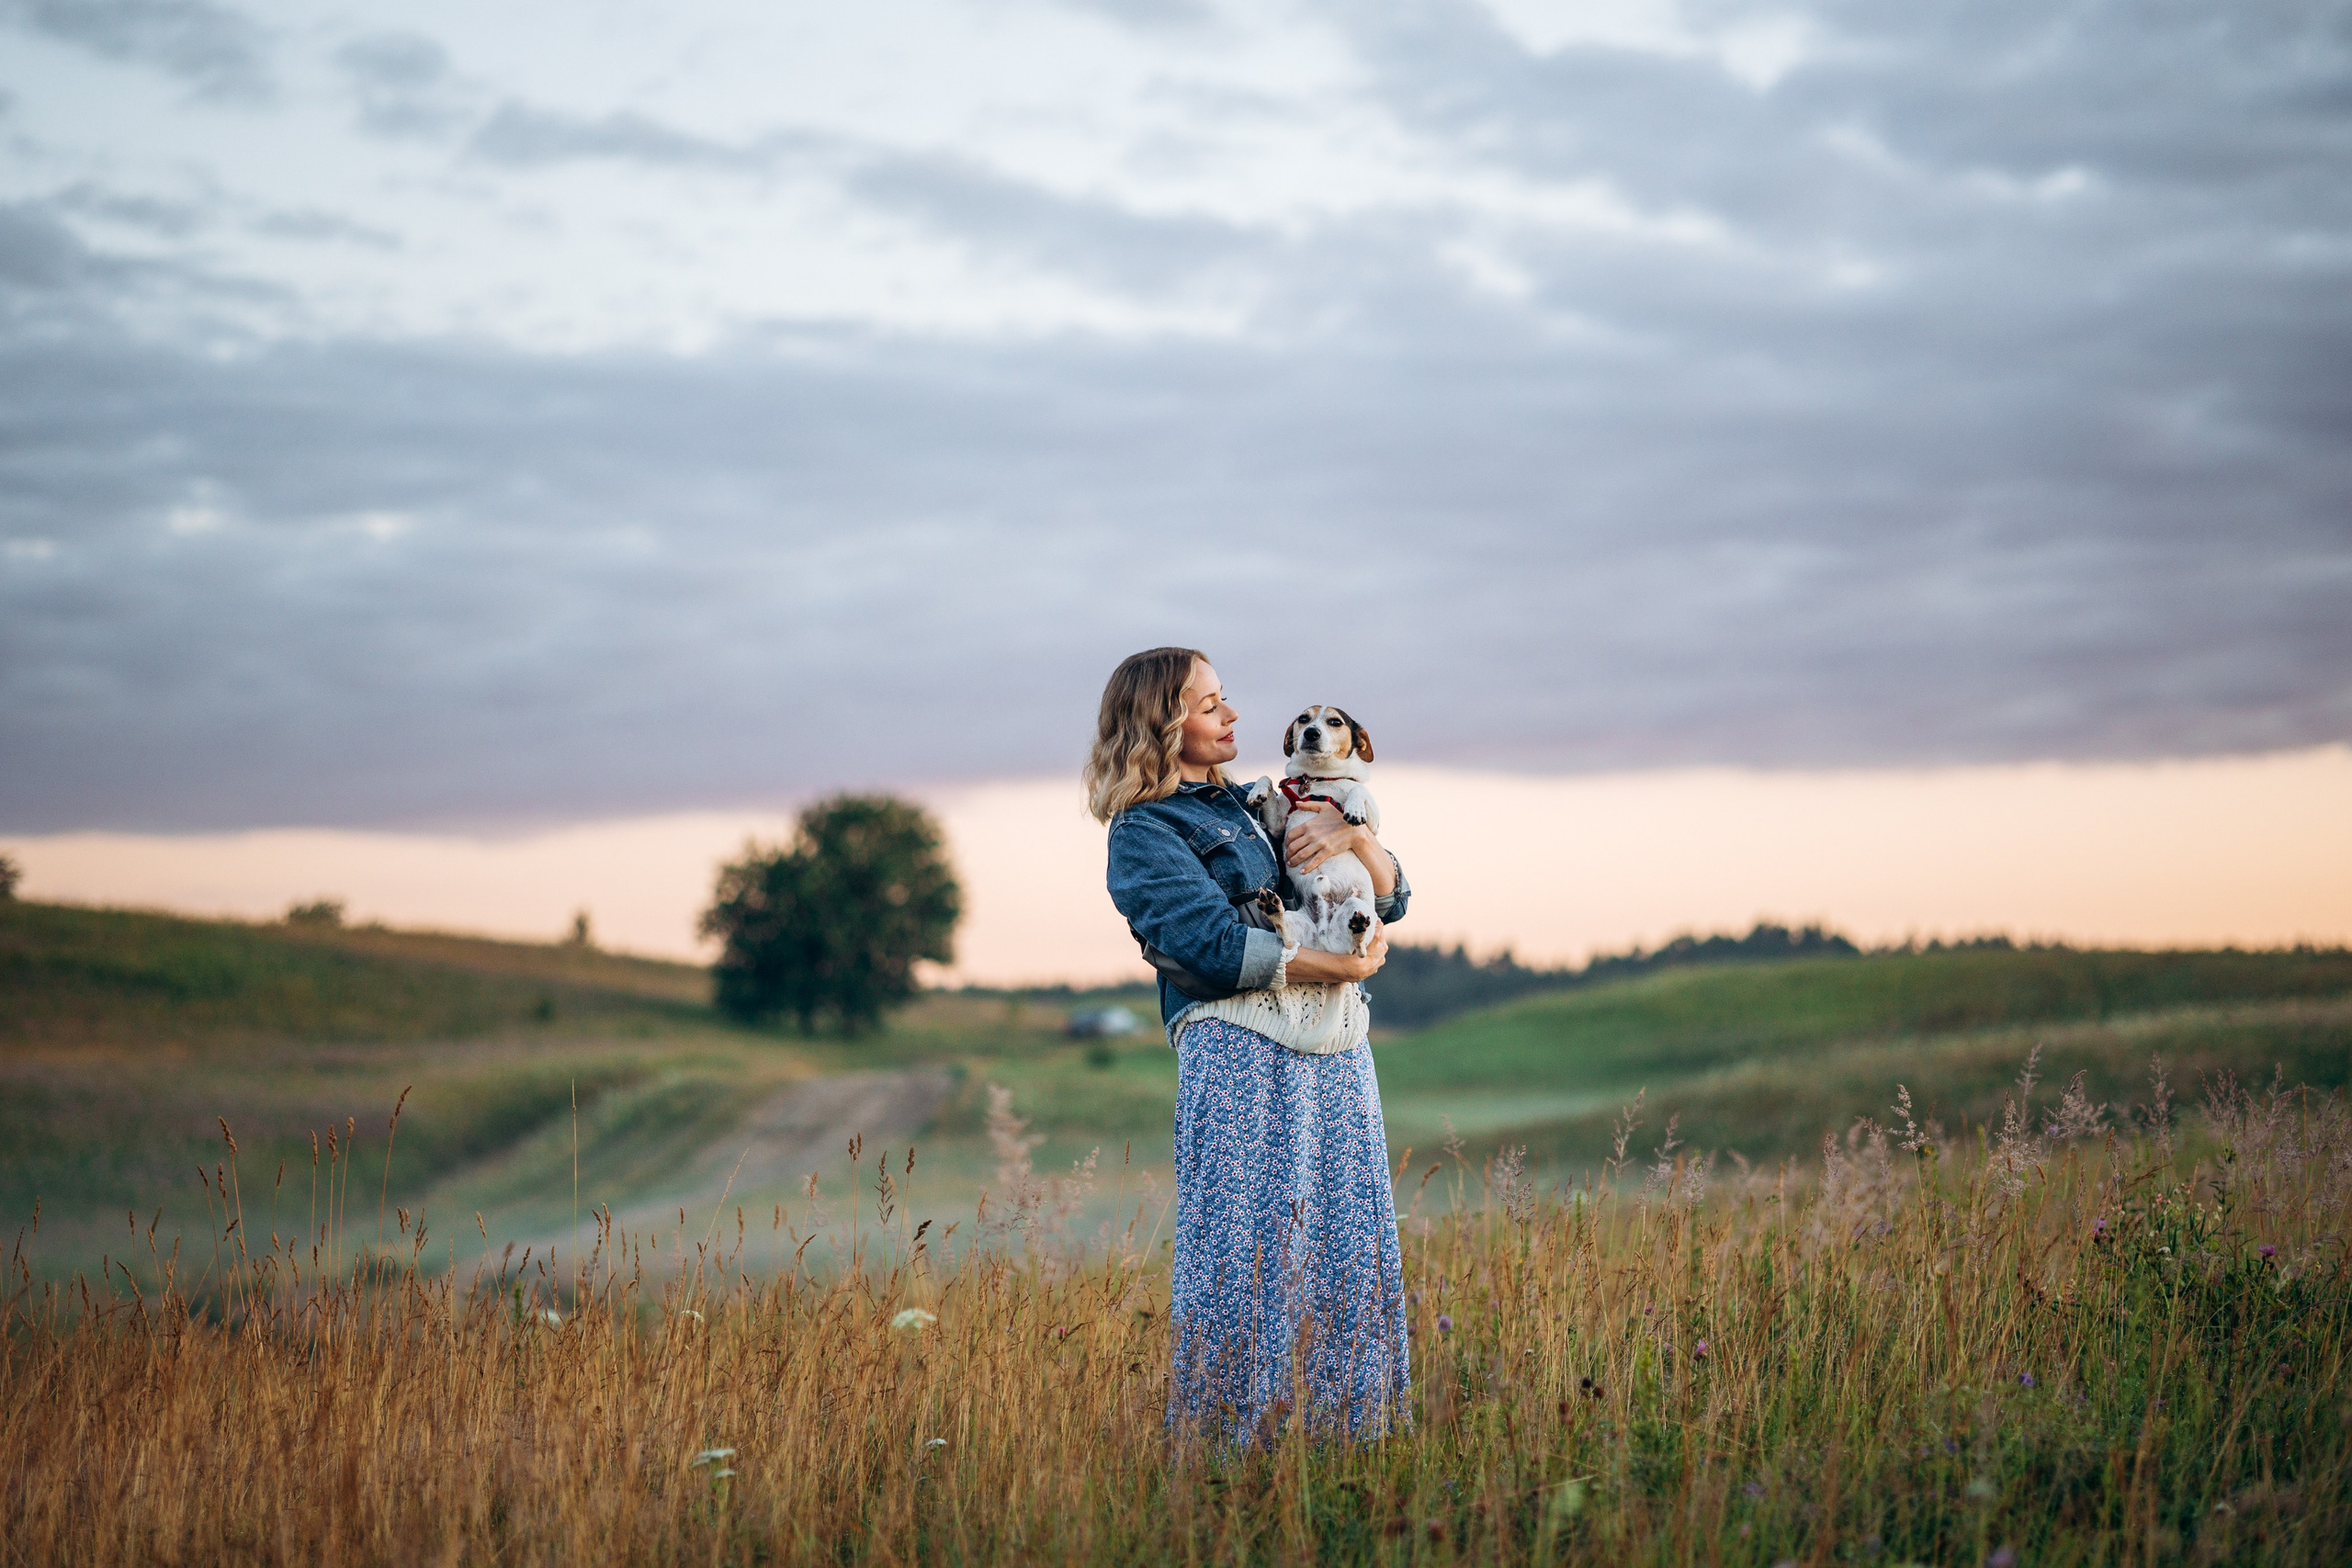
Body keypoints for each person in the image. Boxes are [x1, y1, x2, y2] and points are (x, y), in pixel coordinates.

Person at [1085, 646, 1410, 1444]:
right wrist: (1342, 964)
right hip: (1240, 1052)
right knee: (1242, 1260)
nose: (1232, 715)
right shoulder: (1145, 831)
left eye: (1225, 699)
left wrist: (1353, 834)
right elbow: (1212, 946)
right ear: (1163, 724)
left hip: (1333, 1048)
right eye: (1209, 704)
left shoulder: (1264, 803)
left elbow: (1393, 898)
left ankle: (1349, 1446)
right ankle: (1230, 1456)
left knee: (1346, 1249)